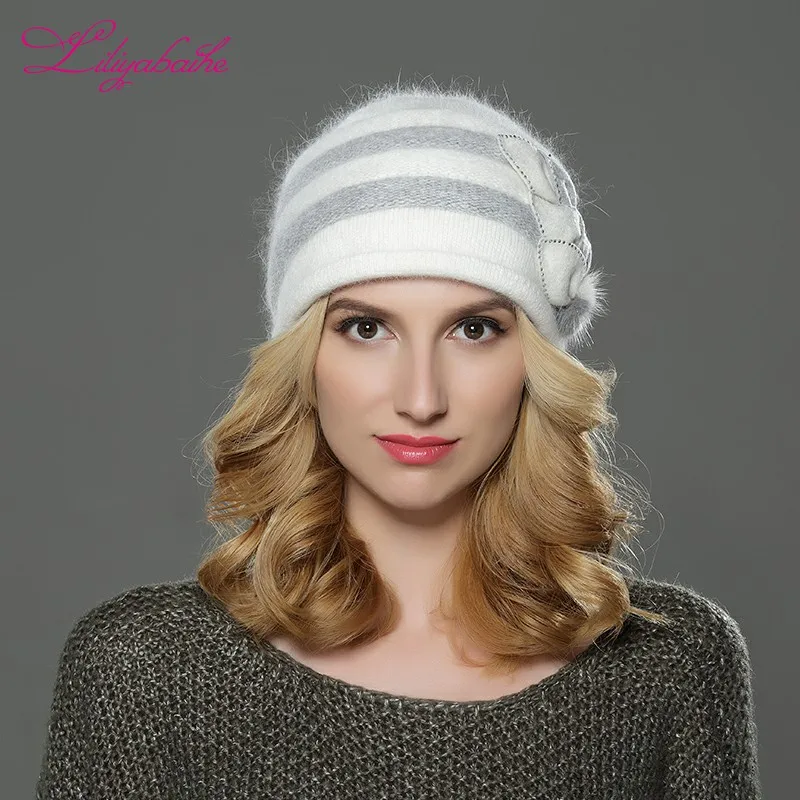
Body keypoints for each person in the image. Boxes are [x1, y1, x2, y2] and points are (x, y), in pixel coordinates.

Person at [36, 78, 762, 798]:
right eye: (366, 328)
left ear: (534, 364)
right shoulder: (142, 670)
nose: (421, 399)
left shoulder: (672, 665)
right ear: (304, 359)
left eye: (474, 329)